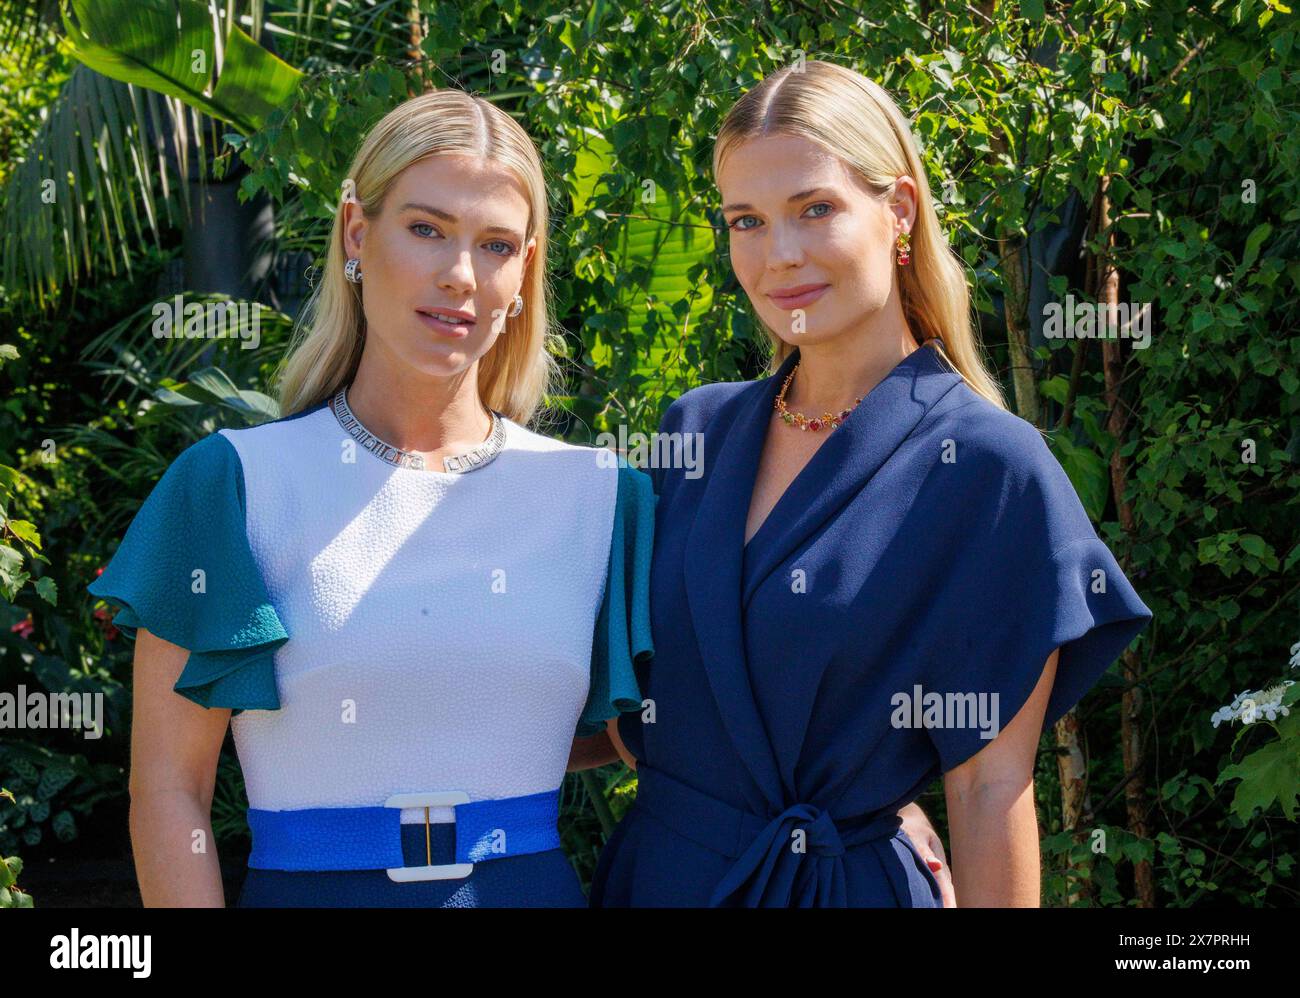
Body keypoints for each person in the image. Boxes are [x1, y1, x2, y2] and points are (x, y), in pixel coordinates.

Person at [591, 61, 1154, 907]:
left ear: (898, 210)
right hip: (657, 879)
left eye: (815, 209)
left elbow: (989, 789)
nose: (779, 255)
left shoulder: (992, 469)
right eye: (747, 220)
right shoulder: (693, 432)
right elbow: (645, 708)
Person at [89, 89, 654, 907]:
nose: (459, 275)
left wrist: (887, 809)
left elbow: (688, 749)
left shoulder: (604, 500)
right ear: (357, 232)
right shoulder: (230, 486)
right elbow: (170, 791)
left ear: (524, 271)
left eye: (495, 245)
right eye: (425, 229)